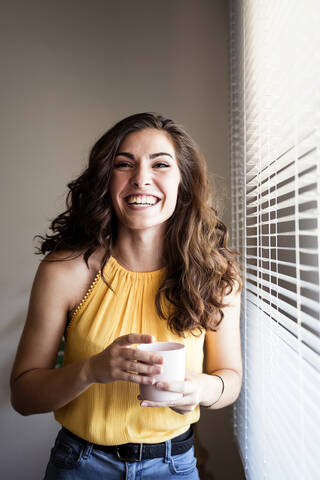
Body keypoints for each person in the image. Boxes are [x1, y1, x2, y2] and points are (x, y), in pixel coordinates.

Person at [10, 112, 243, 480]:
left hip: (175, 465)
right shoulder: (64, 272)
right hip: (79, 464)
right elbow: (23, 396)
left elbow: (229, 378)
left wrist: (198, 389)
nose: (141, 179)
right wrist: (90, 370)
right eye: (124, 164)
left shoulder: (214, 275)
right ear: (106, 179)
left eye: (161, 164)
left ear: (184, 181)